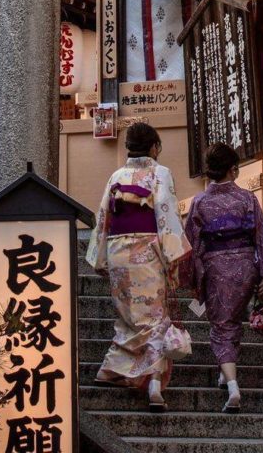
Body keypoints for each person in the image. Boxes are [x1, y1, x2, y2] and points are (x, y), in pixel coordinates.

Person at [86, 121, 191, 411]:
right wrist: (173, 257)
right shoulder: (160, 173)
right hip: (147, 251)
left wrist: (101, 255)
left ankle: (110, 370)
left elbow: (104, 216)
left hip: (119, 250)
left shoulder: (116, 175)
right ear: (154, 147)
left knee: (128, 315)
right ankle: (154, 386)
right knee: (155, 317)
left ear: (128, 148)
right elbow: (166, 214)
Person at [184, 142, 263, 413]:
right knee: (233, 321)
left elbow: (191, 241)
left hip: (216, 267)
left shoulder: (200, 202)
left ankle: (233, 385)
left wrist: (193, 276)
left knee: (221, 326)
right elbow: (262, 235)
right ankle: (224, 372)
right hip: (245, 267)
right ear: (234, 170)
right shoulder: (247, 199)